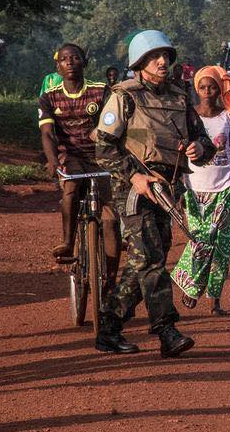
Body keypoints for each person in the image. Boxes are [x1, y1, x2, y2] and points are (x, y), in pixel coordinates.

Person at [94, 29, 216, 356]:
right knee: (151, 259)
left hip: (168, 189)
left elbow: (205, 141)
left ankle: (109, 327)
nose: (163, 62)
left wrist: (197, 148)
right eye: (154, 57)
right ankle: (166, 331)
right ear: (140, 63)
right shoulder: (125, 96)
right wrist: (134, 177)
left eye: (166, 56)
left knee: (146, 260)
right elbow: (103, 147)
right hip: (134, 190)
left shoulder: (179, 96)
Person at [39, 44, 121, 293]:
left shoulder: (100, 91)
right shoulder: (49, 96)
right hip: (71, 156)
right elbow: (47, 133)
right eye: (64, 59)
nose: (70, 62)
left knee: (110, 219)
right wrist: (53, 160)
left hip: (100, 156)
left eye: (75, 58)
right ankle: (67, 241)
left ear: (84, 62)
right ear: (58, 66)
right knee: (71, 188)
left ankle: (109, 283)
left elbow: (113, 122)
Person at [171, 66, 230, 316]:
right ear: (197, 89)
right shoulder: (188, 117)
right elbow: (178, 157)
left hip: (225, 187)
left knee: (221, 246)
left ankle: (214, 300)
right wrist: (177, 190)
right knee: (200, 240)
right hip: (194, 189)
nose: (207, 92)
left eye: (212, 87)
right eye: (203, 88)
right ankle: (191, 284)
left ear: (219, 89)